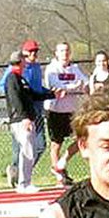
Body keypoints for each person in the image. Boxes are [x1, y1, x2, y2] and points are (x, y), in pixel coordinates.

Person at [0, 39, 52, 187]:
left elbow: (36, 90)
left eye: (36, 51)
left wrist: (50, 94)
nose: (34, 54)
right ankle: (19, 175)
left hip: (35, 111)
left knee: (39, 146)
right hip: (21, 115)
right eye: (31, 51)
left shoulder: (35, 67)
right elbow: (7, 88)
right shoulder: (13, 72)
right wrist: (20, 108)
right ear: (24, 54)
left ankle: (21, 173)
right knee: (22, 148)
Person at [44, 42, 88, 186]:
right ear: (56, 53)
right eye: (62, 51)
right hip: (55, 110)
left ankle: (63, 161)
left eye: (67, 51)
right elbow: (56, 85)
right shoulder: (52, 68)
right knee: (56, 142)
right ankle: (59, 174)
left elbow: (85, 82)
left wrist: (77, 86)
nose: (65, 54)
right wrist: (74, 86)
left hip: (72, 110)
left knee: (82, 138)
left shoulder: (74, 68)